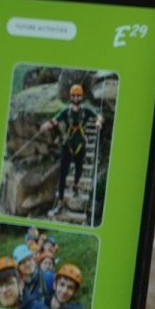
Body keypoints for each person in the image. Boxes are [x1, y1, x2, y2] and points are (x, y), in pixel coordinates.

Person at [38, 83, 103, 214]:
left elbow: (98, 116)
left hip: (80, 146)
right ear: (70, 96)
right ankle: (60, 203)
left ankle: (75, 186)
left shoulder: (86, 110)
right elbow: (55, 120)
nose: (76, 98)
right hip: (67, 146)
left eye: (78, 95)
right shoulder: (66, 111)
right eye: (74, 95)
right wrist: (47, 125)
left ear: (81, 96)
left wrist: (98, 122)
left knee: (79, 170)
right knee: (63, 174)